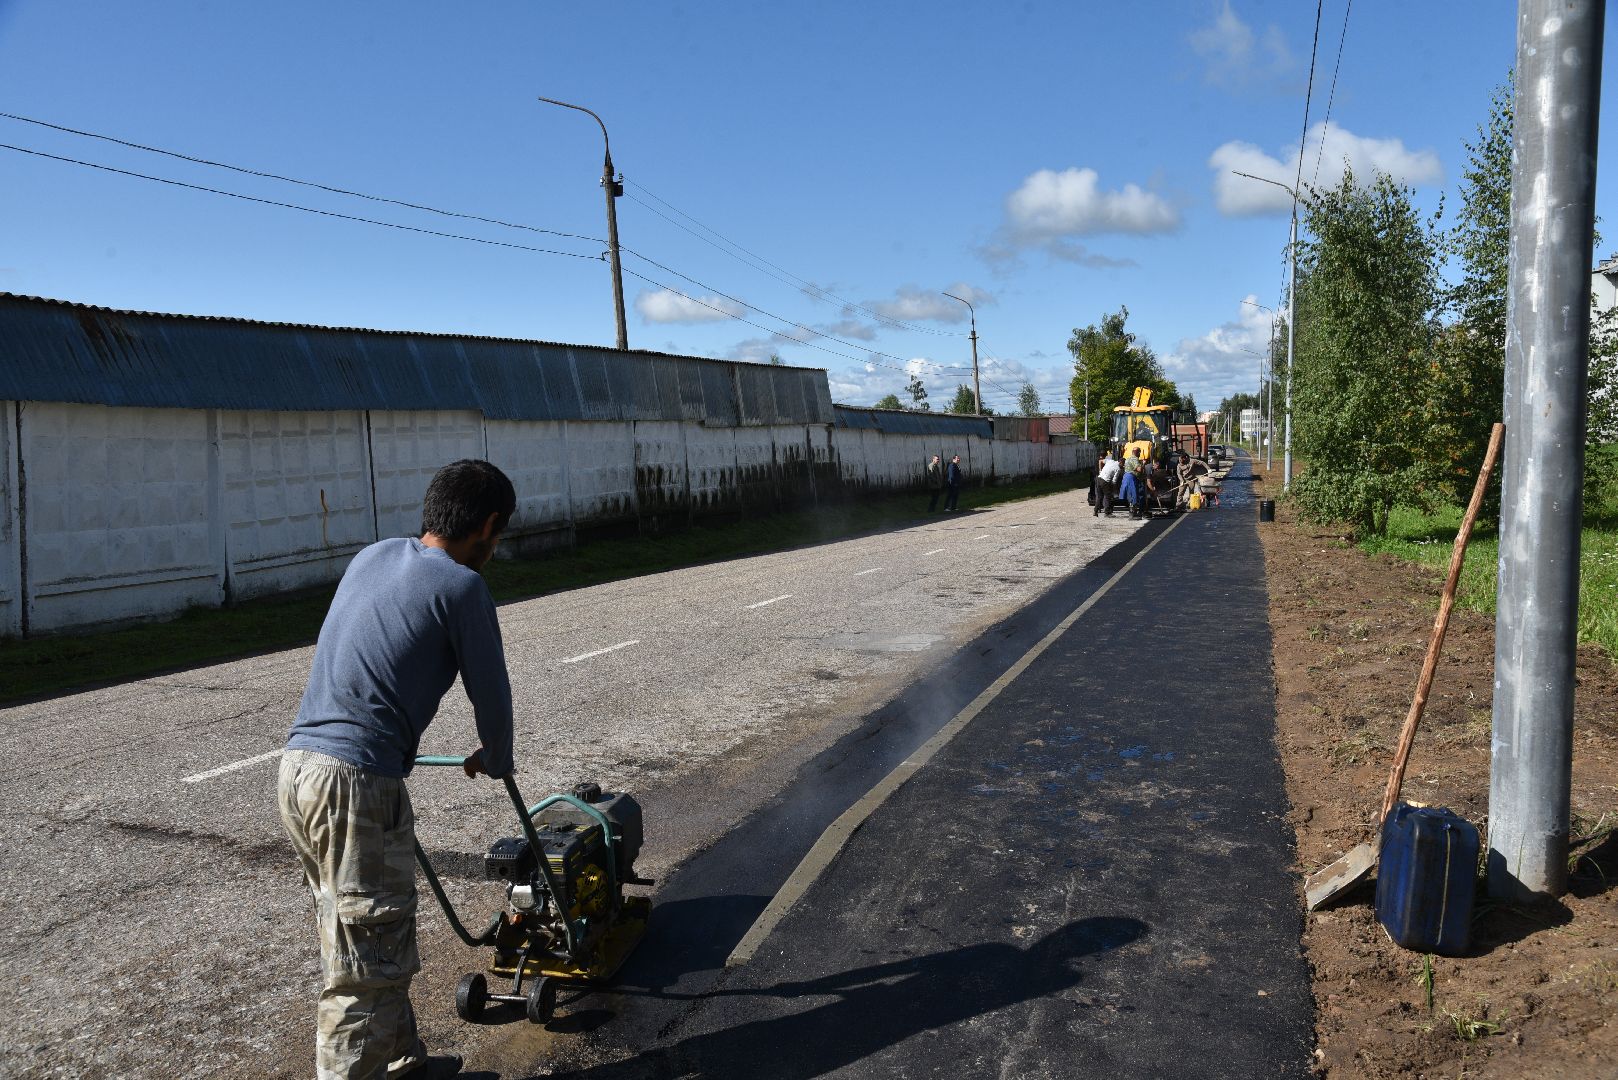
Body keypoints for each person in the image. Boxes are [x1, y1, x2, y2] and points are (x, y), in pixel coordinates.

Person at [278, 459, 518, 1080]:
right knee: (368, 966)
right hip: (356, 782)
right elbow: (492, 697)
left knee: (372, 936)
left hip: (299, 770)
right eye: (500, 535)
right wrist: (497, 758)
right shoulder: (463, 588)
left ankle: (401, 1066)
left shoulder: (373, 555)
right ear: (489, 525)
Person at [1093, 451, 1121, 517]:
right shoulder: (1118, 468)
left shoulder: (1110, 461)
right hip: (1105, 481)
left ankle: (1095, 511)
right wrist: (1115, 491)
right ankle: (1107, 512)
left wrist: (1100, 471)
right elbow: (1114, 481)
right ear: (1121, 463)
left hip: (1099, 479)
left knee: (1099, 496)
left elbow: (1100, 461)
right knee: (1107, 496)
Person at [1119, 447, 1143, 518]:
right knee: (1134, 495)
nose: (1139, 454)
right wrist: (1143, 464)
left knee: (1130, 495)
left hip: (1126, 477)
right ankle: (1132, 515)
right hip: (1131, 478)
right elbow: (1139, 469)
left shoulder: (1128, 459)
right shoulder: (1135, 459)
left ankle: (1132, 513)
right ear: (1138, 452)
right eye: (1139, 452)